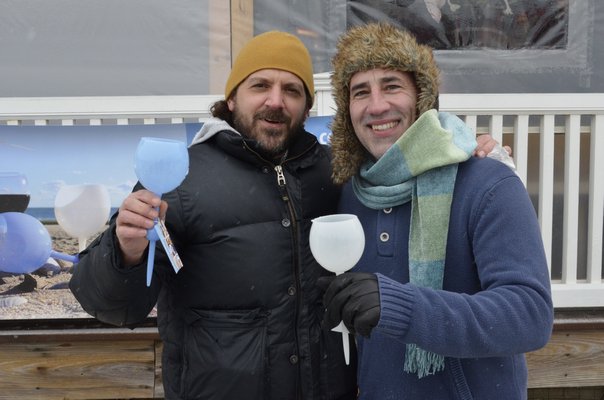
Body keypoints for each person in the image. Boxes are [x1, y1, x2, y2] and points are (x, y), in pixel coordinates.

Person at [69, 29, 503, 400]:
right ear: (232, 97)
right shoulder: (179, 182)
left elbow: (406, 176)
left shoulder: (339, 173)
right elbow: (114, 308)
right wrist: (123, 252)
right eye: (260, 86)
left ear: (306, 106)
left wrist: (467, 153)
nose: (275, 102)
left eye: (291, 90)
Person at [318, 23, 553, 400]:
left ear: (423, 97)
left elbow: (529, 316)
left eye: (392, 85)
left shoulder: (488, 183)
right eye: (361, 92)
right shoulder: (349, 195)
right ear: (347, 111)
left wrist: (401, 307)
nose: (377, 105)